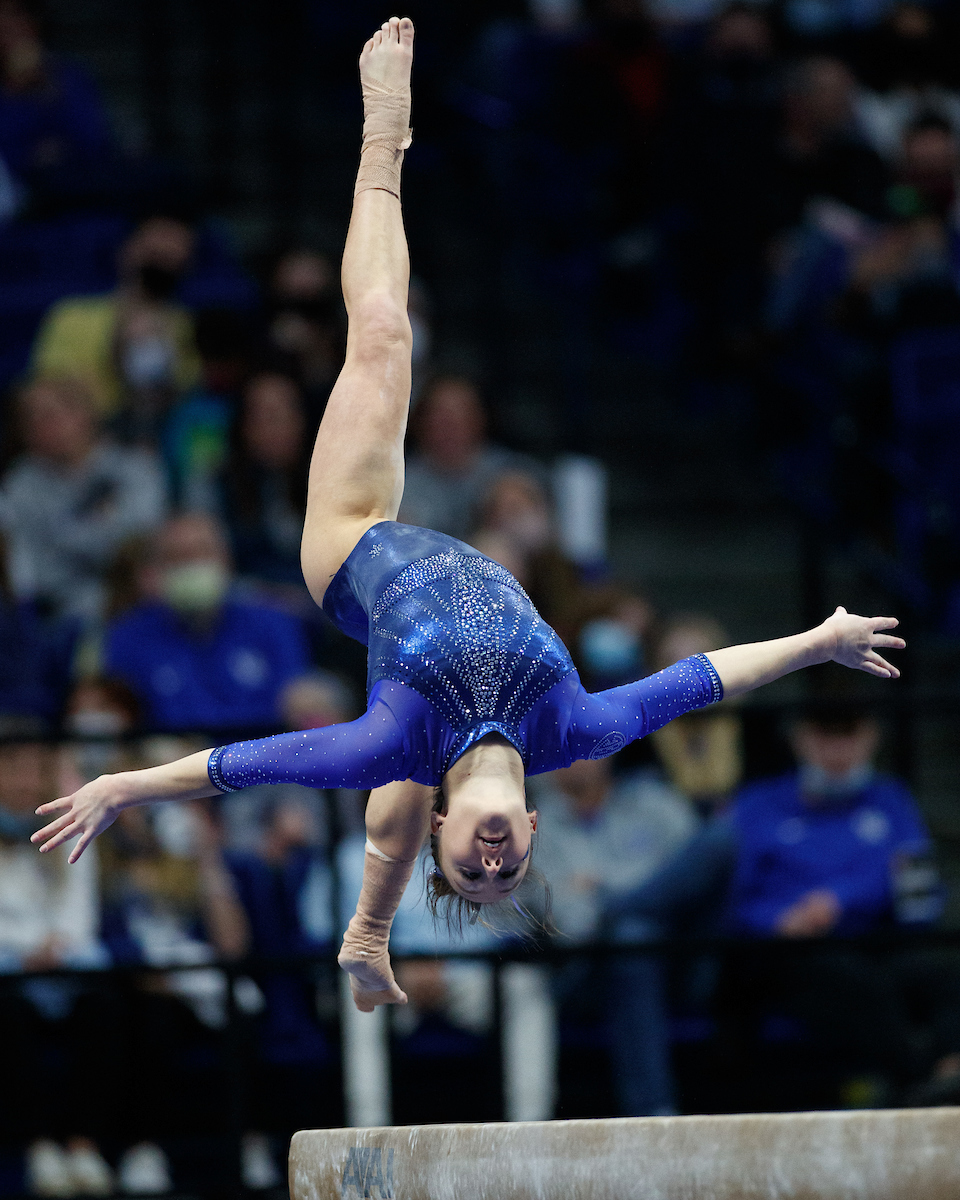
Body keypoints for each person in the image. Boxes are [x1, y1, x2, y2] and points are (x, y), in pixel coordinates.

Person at [33, 18, 905, 1022]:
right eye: (507, 871)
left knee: (383, 332)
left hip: (351, 545)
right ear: (533, 825)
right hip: (441, 574)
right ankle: (368, 930)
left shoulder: (391, 743)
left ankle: (380, 141)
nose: (491, 865)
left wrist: (116, 788)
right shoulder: (574, 727)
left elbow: (233, 766)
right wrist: (820, 639)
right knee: (389, 806)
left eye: (472, 872)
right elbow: (708, 677)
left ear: (455, 826)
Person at [725, 703, 960, 1104]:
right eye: (824, 735)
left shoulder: (892, 801)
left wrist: (841, 899)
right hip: (787, 954)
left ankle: (943, 1073)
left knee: (941, 970)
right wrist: (777, 920)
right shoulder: (756, 806)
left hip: (875, 943)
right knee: (846, 978)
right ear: (799, 738)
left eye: (848, 734)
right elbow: (727, 898)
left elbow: (919, 891)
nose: (837, 750)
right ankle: (924, 1085)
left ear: (871, 737)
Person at [104, 511, 310, 731]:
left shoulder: (272, 623)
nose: (192, 564)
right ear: (156, 570)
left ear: (226, 559)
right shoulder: (127, 637)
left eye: (202, 552)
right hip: (171, 761)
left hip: (260, 759)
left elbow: (298, 699)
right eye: (177, 557)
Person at [0, 375, 167, 622]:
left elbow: (140, 543)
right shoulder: (18, 486)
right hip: (60, 616)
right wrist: (102, 527)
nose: (45, 425)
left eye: (55, 412)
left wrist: (68, 538)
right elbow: (30, 573)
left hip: (139, 602)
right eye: (32, 418)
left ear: (87, 413)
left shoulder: (136, 468)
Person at [29, 214, 201, 422]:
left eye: (173, 256)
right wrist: (116, 349)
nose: (165, 256)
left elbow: (186, 396)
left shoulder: (190, 326)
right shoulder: (71, 315)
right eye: (154, 252)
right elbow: (51, 391)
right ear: (126, 250)